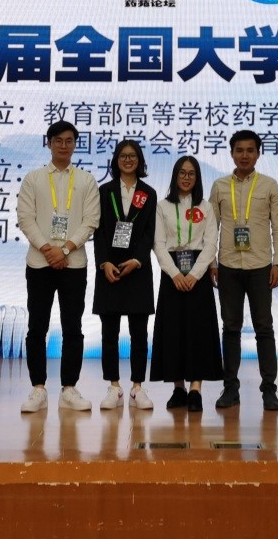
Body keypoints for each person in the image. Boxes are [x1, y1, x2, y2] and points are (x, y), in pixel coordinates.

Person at [16, 120, 100, 412]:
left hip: (73, 263)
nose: (64, 146)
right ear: (49, 143)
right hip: (39, 263)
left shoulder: (86, 180)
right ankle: (38, 388)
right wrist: (47, 249)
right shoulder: (34, 179)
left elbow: (91, 221)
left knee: (72, 327)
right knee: (36, 327)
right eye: (58, 140)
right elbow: (25, 218)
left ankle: (69, 388)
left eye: (69, 141)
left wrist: (64, 250)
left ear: (75, 144)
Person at [209, 129, 278, 411]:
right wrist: (212, 262)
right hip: (228, 266)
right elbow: (210, 228)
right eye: (239, 150)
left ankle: (269, 389)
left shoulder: (269, 185)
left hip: (260, 266)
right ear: (232, 153)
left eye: (250, 150)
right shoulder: (219, 186)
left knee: (264, 328)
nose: (244, 155)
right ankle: (230, 388)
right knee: (230, 328)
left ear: (258, 154)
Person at [150, 156, 222, 412]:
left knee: (198, 332)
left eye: (192, 173)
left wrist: (195, 275)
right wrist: (175, 274)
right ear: (175, 175)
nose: (186, 177)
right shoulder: (162, 206)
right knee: (173, 331)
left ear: (197, 177)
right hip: (172, 274)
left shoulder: (206, 207)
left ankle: (195, 390)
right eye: (182, 172)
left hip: (198, 275)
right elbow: (158, 244)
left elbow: (211, 244)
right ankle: (178, 388)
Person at [92, 139, 158, 410]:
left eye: (133, 156)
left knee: (139, 334)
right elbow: (99, 231)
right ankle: (114, 387)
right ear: (116, 160)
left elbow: (149, 232)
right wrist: (104, 262)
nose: (128, 160)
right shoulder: (104, 191)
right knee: (109, 333)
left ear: (139, 160)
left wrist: (138, 260)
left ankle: (137, 387)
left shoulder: (148, 193)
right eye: (123, 155)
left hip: (138, 270)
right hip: (109, 269)